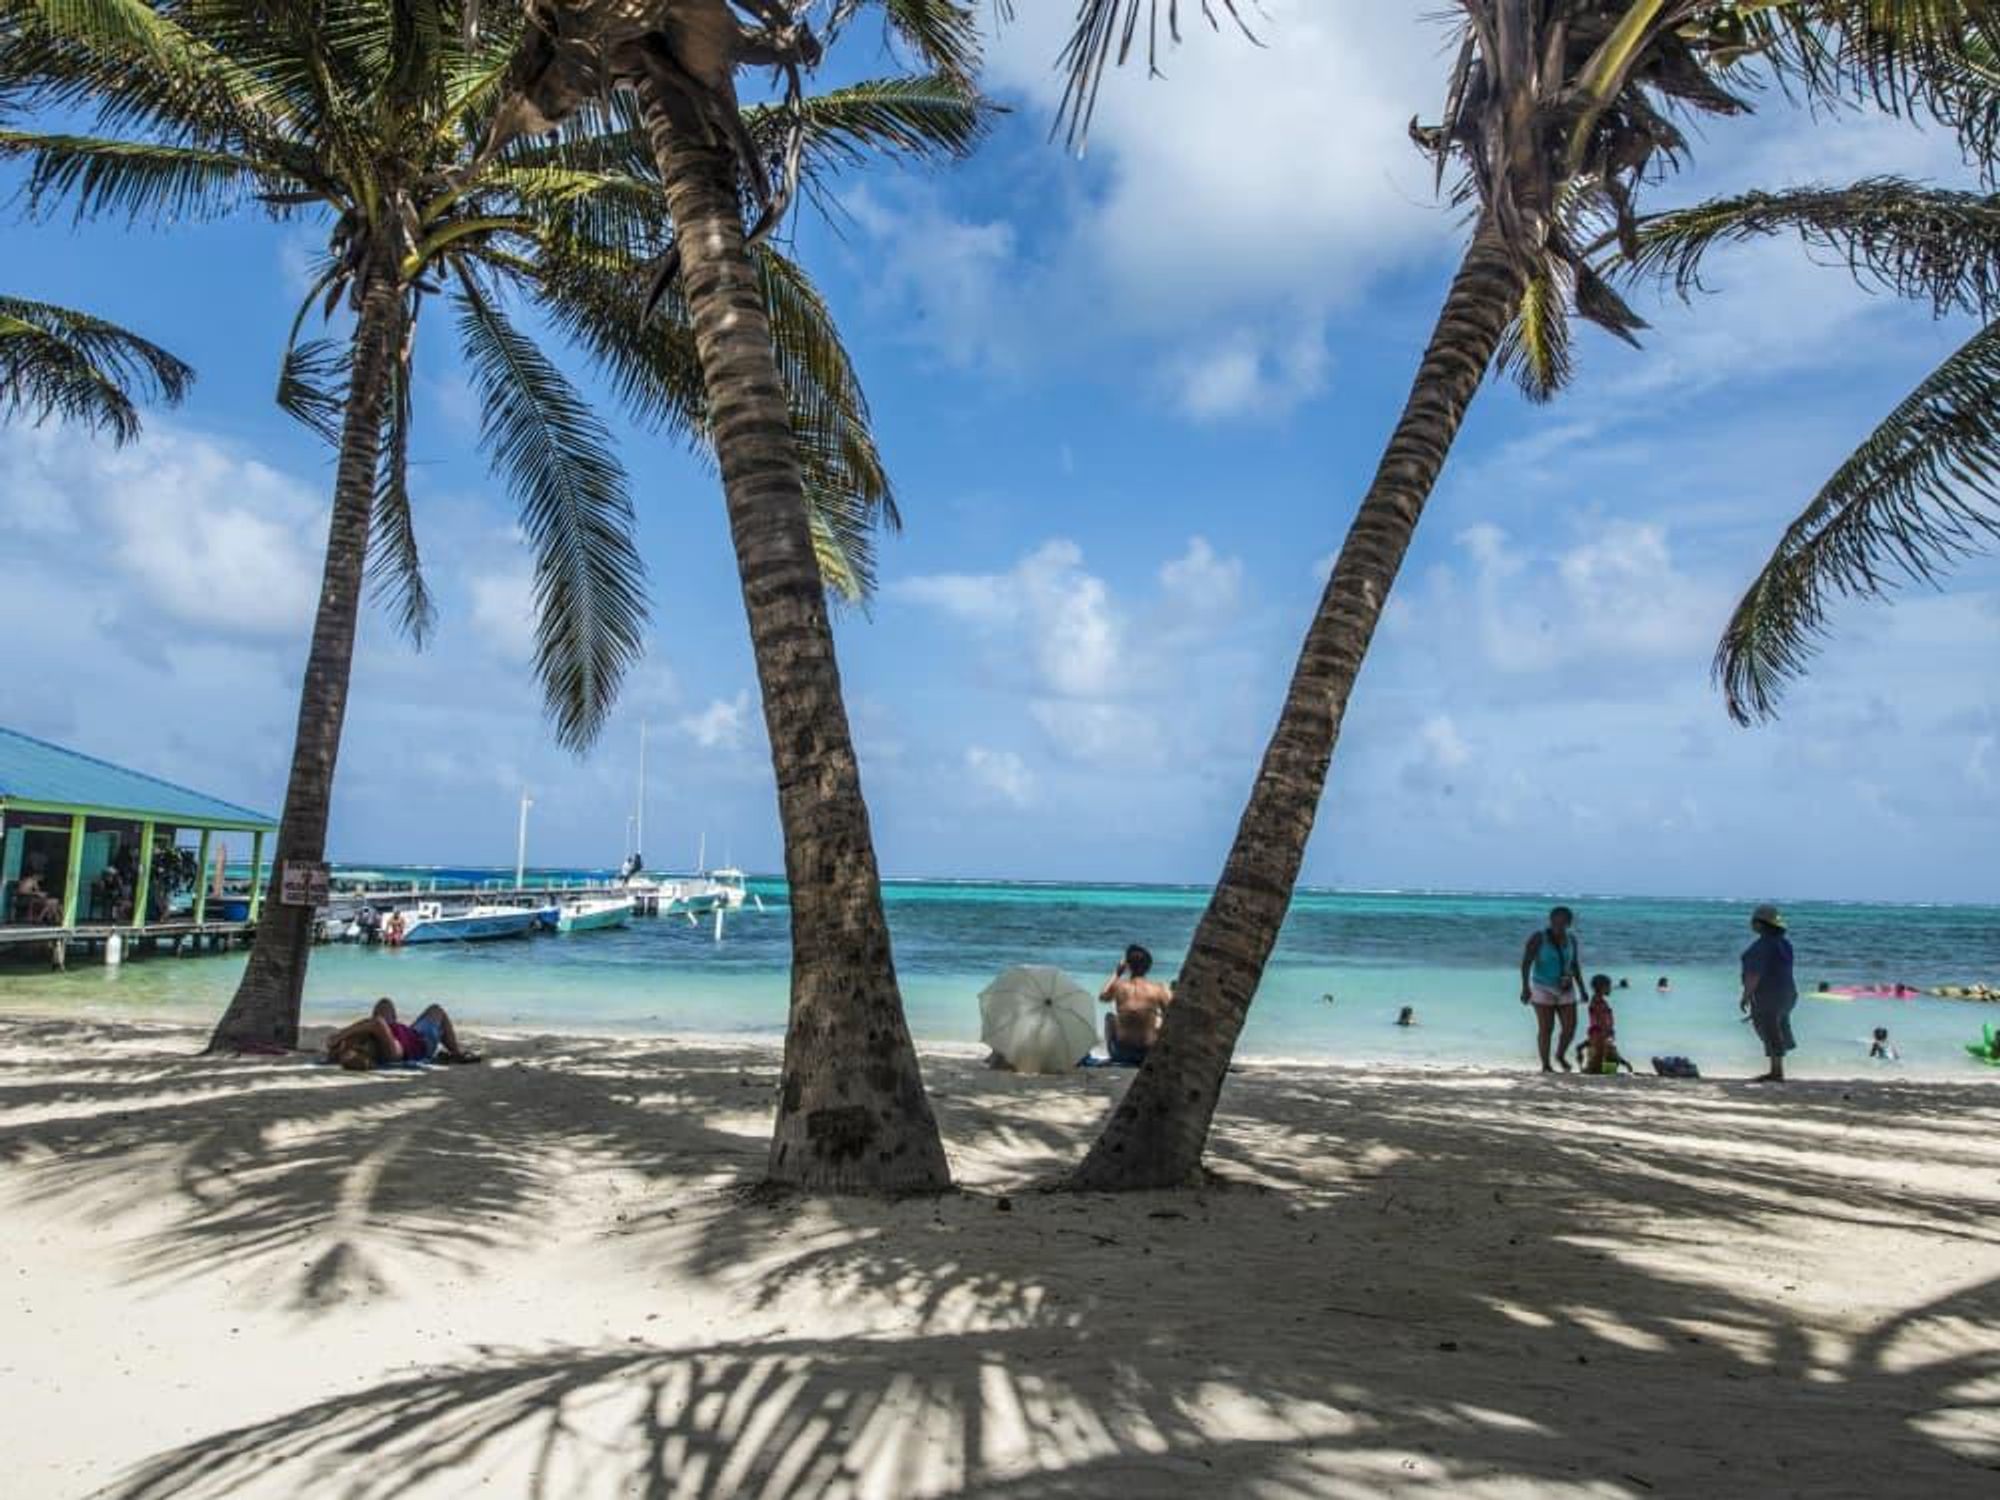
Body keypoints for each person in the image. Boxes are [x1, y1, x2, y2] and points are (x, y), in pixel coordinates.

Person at [325, 998, 478, 1070]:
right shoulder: (392, 1053)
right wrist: (338, 1036)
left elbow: (375, 1024)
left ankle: (454, 1051)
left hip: (406, 1033)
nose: (360, 1045)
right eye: (359, 1048)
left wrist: (340, 1045)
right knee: (437, 1010)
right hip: (422, 1040)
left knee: (384, 1004)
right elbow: (377, 1022)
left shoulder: (372, 1043)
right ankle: (456, 1052)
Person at [1519, 905, 1585, 1073]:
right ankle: (1546, 1065)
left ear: (1569, 923)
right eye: (1557, 922)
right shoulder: (1538, 938)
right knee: (1546, 1029)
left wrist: (1582, 988)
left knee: (1570, 1028)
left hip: (1566, 987)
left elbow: (1575, 964)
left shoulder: (1572, 939)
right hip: (1542, 987)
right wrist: (1525, 987)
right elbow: (1526, 963)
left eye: (1564, 922)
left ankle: (1560, 1055)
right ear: (1551, 921)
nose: (1560, 926)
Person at [1740, 903, 1798, 1083]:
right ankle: (1776, 1069)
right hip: (1788, 993)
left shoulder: (1761, 946)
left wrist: (1746, 995)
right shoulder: (1785, 944)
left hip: (1770, 994)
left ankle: (1776, 1072)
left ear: (1760, 924)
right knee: (1777, 1028)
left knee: (1769, 1030)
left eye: (1753, 920)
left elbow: (1754, 974)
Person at [1099, 944, 1171, 1066]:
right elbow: (1172, 1016)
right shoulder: (1159, 989)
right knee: (1160, 1020)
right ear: (1149, 966)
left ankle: (1114, 1056)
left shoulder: (1119, 986)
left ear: (1127, 966)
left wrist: (1117, 973)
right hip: (1148, 1054)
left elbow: (1103, 997)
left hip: (1120, 1054)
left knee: (1109, 1017)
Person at [1578, 973, 1632, 1075]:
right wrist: (1606, 1034)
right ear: (1603, 988)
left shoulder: (1598, 1001)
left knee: (1605, 1060)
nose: (1611, 989)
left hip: (1600, 1036)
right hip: (1601, 1036)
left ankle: (1599, 1070)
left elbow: (1598, 1020)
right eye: (1609, 986)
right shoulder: (1598, 1003)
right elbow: (1599, 1021)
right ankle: (1603, 1071)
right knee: (1609, 1059)